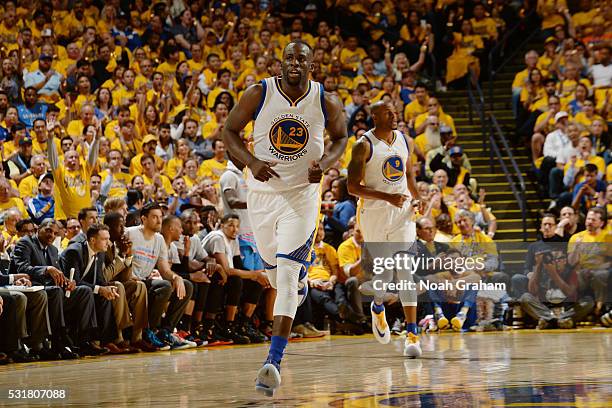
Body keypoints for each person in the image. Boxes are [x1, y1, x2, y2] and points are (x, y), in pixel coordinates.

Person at [222, 40, 347, 396]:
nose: (294, 63)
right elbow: (228, 132)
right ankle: (298, 284)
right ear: (280, 64)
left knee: (288, 275)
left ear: (312, 66)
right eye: (289, 58)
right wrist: (251, 161)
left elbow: (340, 139)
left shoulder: (326, 100)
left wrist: (324, 165)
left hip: (302, 198)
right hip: (262, 196)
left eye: (301, 59)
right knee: (276, 275)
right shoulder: (258, 93)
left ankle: (272, 363)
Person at [347, 100, 422, 357]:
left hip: (402, 212)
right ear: (375, 116)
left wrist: (417, 196)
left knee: (405, 272)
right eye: (389, 113)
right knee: (385, 275)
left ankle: (412, 334)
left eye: (396, 112)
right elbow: (352, 187)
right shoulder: (363, 145)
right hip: (375, 213)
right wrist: (387, 197)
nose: (395, 116)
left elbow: (409, 176)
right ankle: (377, 307)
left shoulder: (403, 139)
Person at [126, 202, 193, 350]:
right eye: (154, 217)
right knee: (164, 286)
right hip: (129, 282)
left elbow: (164, 270)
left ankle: (165, 331)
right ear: (144, 219)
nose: (159, 220)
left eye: (160, 217)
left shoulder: (160, 239)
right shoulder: (130, 233)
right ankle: (149, 331)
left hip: (145, 282)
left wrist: (176, 277)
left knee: (186, 285)